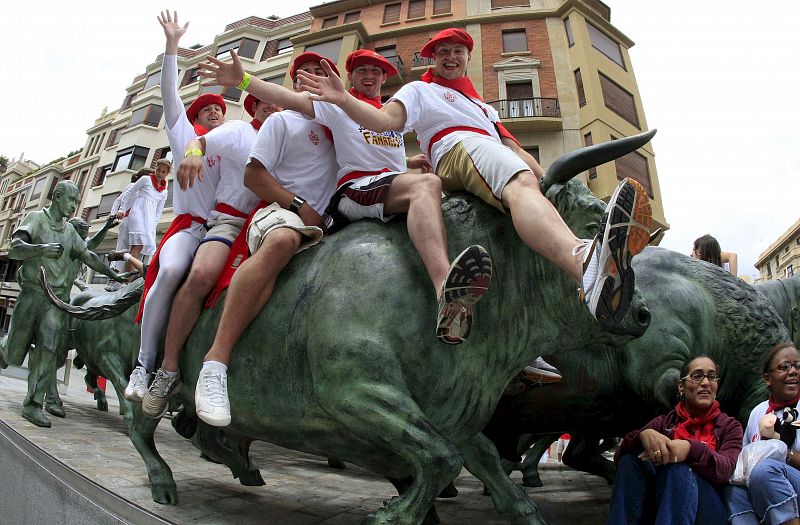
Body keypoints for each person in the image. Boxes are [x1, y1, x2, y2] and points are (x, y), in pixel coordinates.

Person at [298, 28, 653, 331]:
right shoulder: (418, 90)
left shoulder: (484, 107)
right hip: (456, 148)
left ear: (468, 56)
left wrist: (554, 187)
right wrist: (344, 98)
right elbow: (385, 121)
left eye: (457, 51)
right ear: (432, 58)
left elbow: (514, 148)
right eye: (442, 52)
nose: (450, 57)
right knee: (520, 184)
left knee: (531, 186)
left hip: (486, 148)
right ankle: (583, 261)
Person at [200, 48, 492, 345]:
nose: (369, 76)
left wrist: (410, 161)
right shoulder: (337, 103)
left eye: (376, 71)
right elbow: (289, 98)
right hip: (356, 189)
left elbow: (375, 147)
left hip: (388, 185)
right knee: (427, 184)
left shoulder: (389, 113)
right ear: (349, 76)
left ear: (384, 78)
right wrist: (244, 81)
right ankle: (445, 288)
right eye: (362, 70)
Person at [182, 52, 338, 427]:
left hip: (333, 221)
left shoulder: (341, 121)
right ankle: (215, 363)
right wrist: (300, 206)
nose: (315, 78)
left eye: (322, 72)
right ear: (295, 84)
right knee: (282, 240)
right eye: (306, 75)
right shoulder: (281, 120)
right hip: (280, 213)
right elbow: (254, 177)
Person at [139, 80, 277, 419]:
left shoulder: (289, 136)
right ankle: (167, 369)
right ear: (254, 108)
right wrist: (193, 153)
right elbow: (201, 142)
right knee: (199, 275)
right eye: (263, 103)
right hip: (231, 223)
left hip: (275, 221)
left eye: (276, 103)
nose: (271, 107)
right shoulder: (240, 132)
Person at [123, 10, 225, 402]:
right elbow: (169, 93)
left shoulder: (235, 139)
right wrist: (172, 46)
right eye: (205, 109)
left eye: (219, 107)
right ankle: (144, 365)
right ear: (194, 117)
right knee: (171, 272)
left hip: (225, 231)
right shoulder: (184, 135)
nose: (214, 111)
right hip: (189, 228)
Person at [0, 181, 126, 427]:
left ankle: (33, 404)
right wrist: (41, 249)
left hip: (55, 301)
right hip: (32, 295)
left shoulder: (69, 232)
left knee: (49, 348)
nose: (72, 206)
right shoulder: (36, 219)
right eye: (69, 200)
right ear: (57, 197)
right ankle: (3, 350)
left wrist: (113, 275)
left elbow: (88, 255)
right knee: (15, 351)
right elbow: (15, 249)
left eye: (75, 201)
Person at [608, 355, 742, 525]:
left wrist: (691, 449)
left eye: (712, 376)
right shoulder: (664, 423)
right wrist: (643, 436)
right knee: (630, 461)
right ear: (681, 386)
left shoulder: (730, 426)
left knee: (679, 470)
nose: (706, 383)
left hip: (709, 509)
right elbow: (619, 457)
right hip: (662, 506)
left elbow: (726, 469)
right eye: (697, 376)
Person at [724, 343, 800, 525]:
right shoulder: (758, 412)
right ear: (767, 378)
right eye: (784, 367)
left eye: (797, 366)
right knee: (733, 488)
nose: (794, 371)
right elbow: (745, 465)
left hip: (787, 482)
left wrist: (784, 453)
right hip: (764, 488)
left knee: (764, 470)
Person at [115, 159, 170, 274]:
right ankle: (126, 281)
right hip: (138, 215)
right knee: (137, 246)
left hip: (149, 220)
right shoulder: (146, 179)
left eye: (163, 172)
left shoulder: (164, 192)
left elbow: (158, 210)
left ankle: (125, 279)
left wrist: (153, 226)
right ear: (155, 168)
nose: (160, 174)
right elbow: (130, 192)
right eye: (158, 170)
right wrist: (122, 209)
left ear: (167, 173)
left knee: (137, 249)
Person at [107, 170, 145, 288]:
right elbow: (118, 200)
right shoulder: (133, 186)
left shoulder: (147, 191)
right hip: (128, 220)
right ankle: (113, 279)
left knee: (134, 252)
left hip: (139, 223)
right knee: (122, 248)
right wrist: (113, 214)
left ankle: (125, 280)